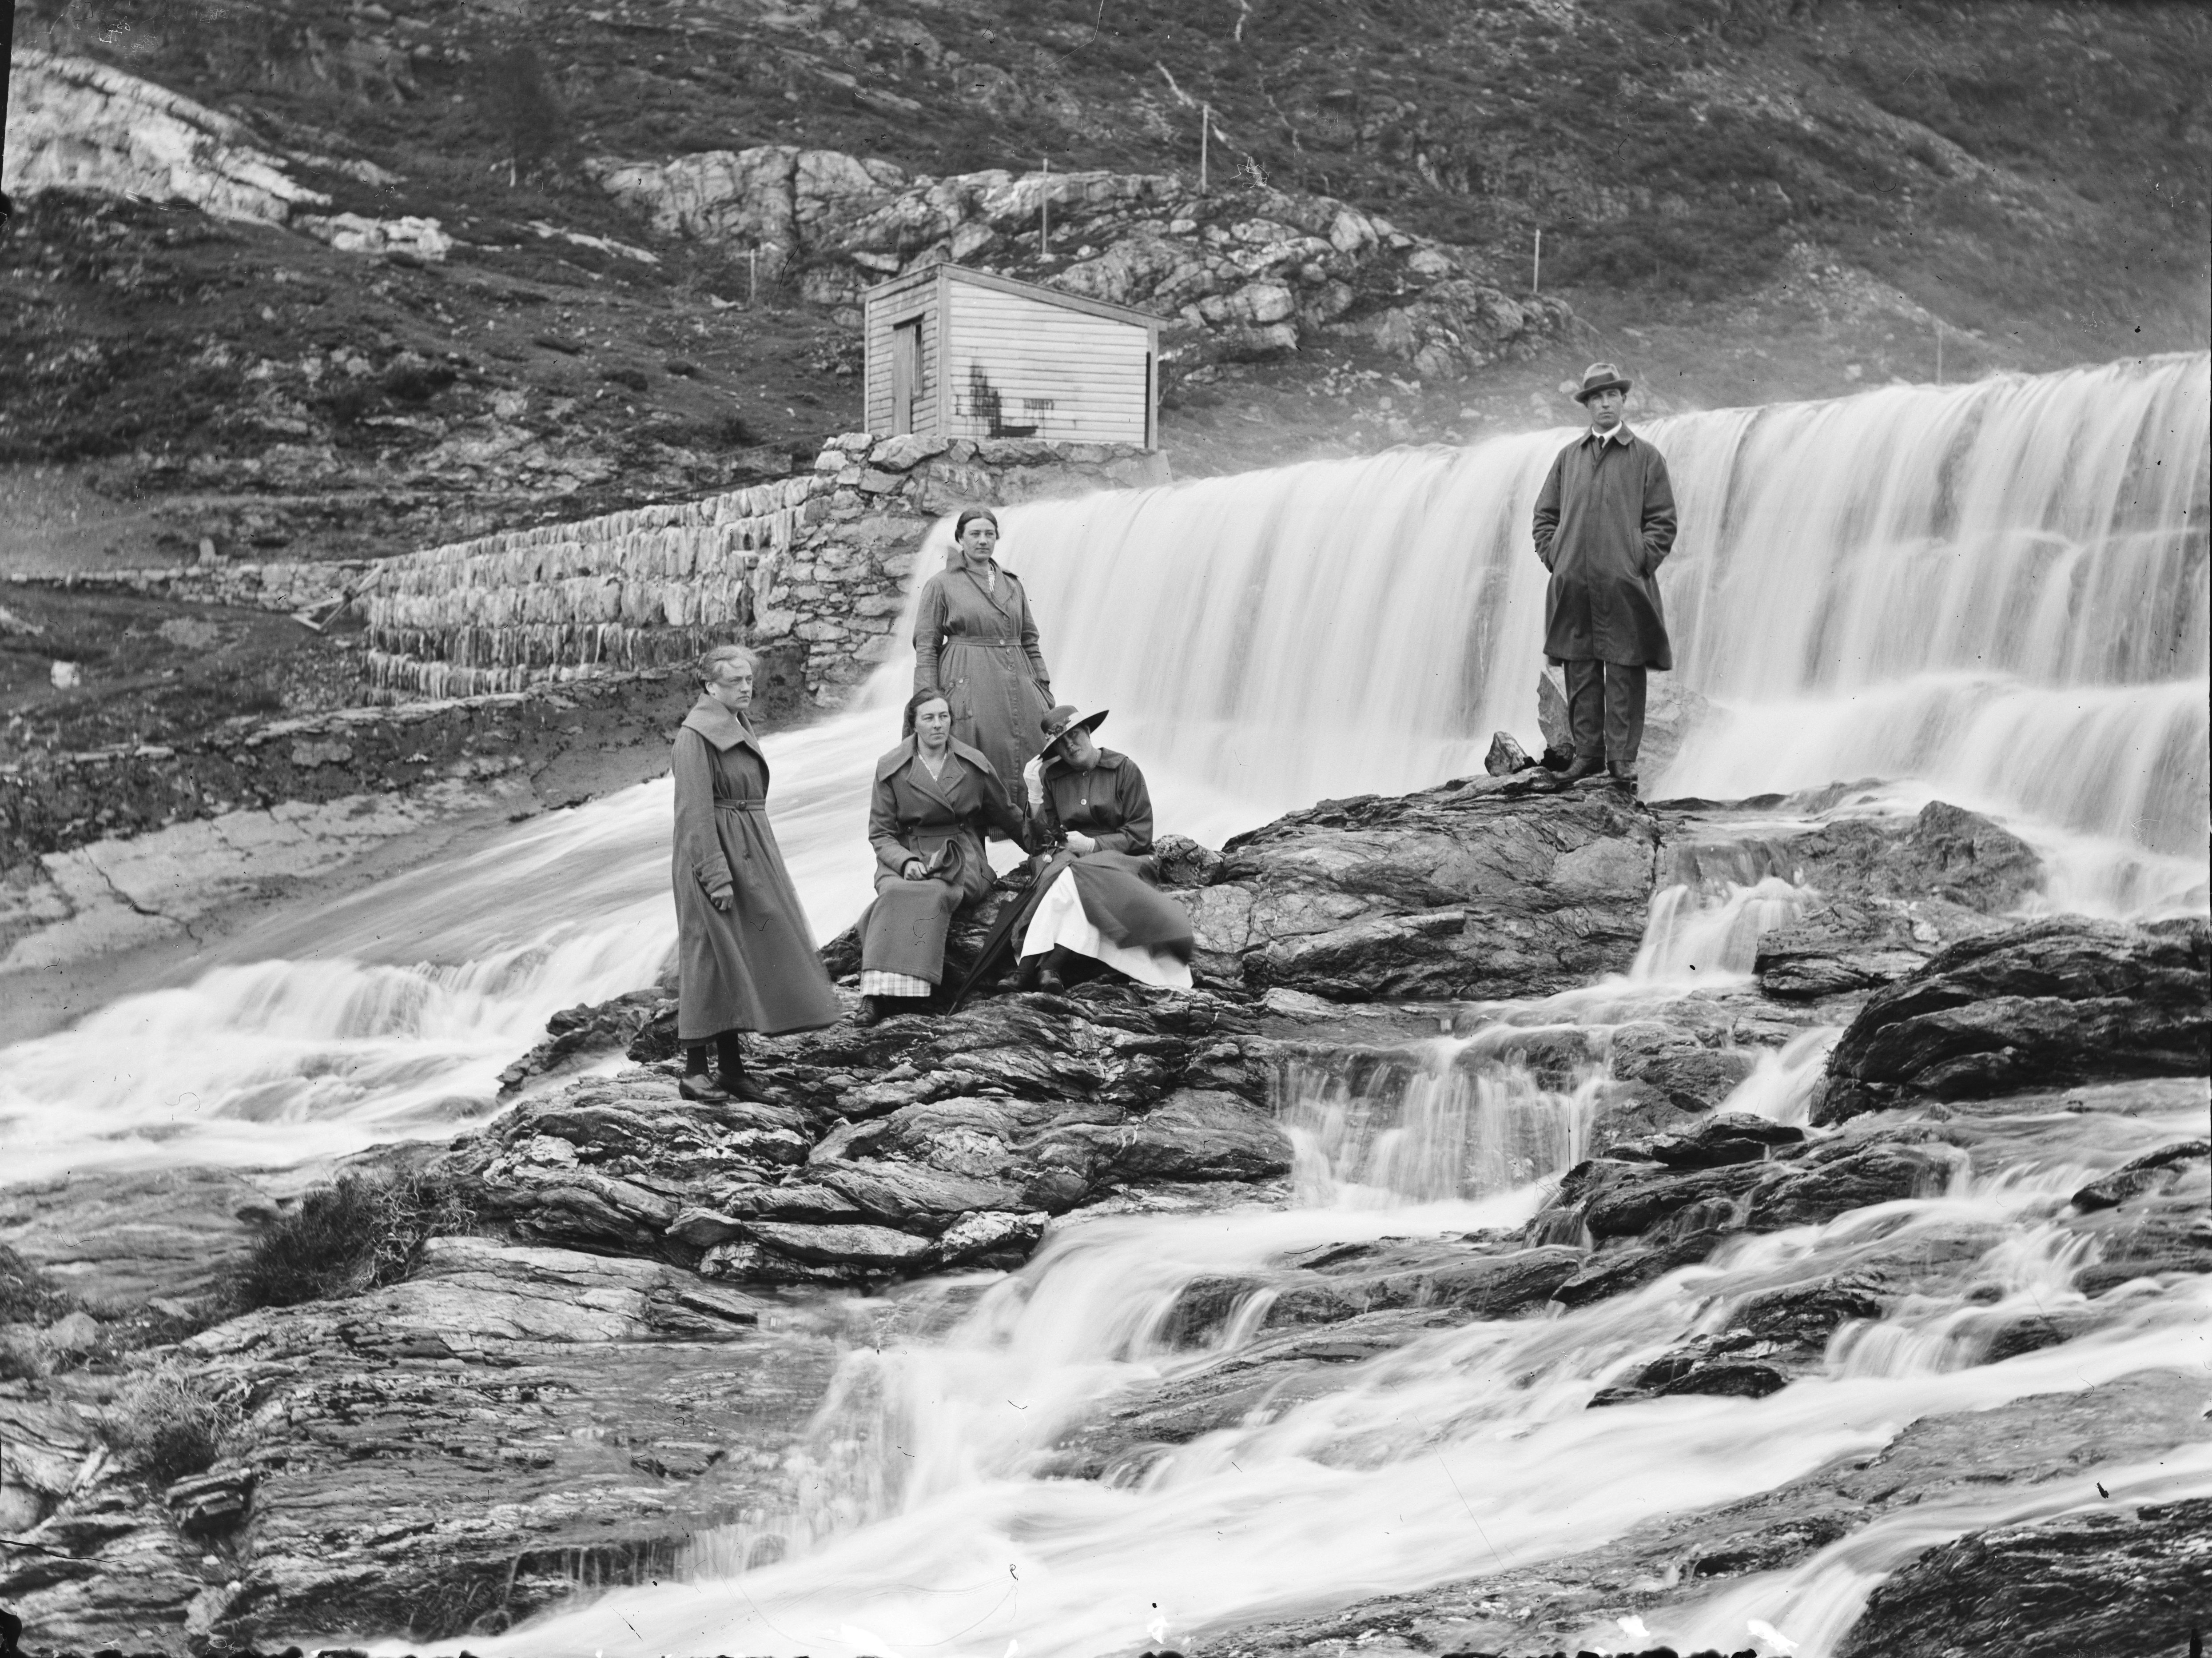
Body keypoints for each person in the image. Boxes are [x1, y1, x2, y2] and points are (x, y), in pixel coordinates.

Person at [669, 643, 841, 1101]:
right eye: (735, 682)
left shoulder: (733, 723)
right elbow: (694, 814)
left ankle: (730, 1067)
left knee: (737, 955)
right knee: (709, 956)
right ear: (710, 685)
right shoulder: (696, 737)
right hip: (717, 854)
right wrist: (715, 874)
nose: (746, 688)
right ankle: (693, 1070)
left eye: (749, 680)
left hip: (747, 847)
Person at [1530, 360, 1679, 791]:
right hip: (1574, 584)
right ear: (1588, 406)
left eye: (1611, 395)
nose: (1604, 404)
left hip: (1624, 585)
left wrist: (1638, 561)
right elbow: (1545, 515)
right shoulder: (1568, 458)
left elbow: (1663, 521)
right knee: (1580, 671)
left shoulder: (1647, 458)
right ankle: (1589, 757)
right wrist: (1556, 556)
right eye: (1596, 398)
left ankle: (1623, 762)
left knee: (1625, 671)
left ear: (1623, 400)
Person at [854, 686, 1031, 1025]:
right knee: (892, 894)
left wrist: (1042, 847)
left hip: (960, 856)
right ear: (913, 724)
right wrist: (905, 862)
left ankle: (903, 992)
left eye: (944, 717)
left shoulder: (973, 764)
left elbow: (1008, 816)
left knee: (932, 893)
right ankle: (873, 996)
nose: (938, 725)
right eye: (929, 718)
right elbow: (880, 833)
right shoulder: (891, 767)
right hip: (906, 853)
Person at [1013, 705, 1195, 994]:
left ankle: (1033, 967)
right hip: (1069, 855)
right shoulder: (1053, 777)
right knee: (1066, 870)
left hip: (1125, 857)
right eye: (1061, 743)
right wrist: (1034, 794)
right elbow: (1040, 842)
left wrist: (1094, 845)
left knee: (1075, 874)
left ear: (1087, 731)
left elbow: (1140, 833)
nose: (1069, 745)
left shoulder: (1124, 769)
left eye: (1073, 735)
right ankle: (1046, 970)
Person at [912, 506, 1055, 804]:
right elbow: (927, 645)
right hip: (967, 677)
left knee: (1032, 749)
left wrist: (1042, 684)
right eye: (974, 534)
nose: (982, 541)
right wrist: (928, 700)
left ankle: (1029, 831)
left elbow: (1029, 639)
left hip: (1018, 679)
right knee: (973, 755)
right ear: (960, 539)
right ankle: (971, 837)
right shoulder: (941, 584)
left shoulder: (1012, 584)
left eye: (989, 534)